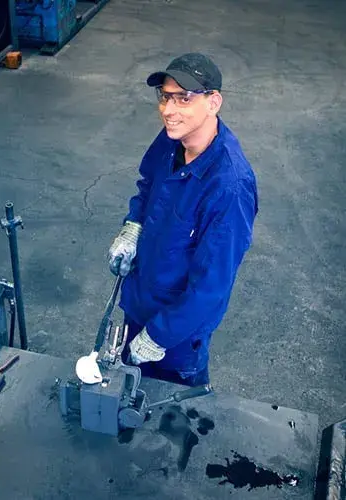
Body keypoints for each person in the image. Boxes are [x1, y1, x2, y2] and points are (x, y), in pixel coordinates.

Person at [108, 53, 258, 387]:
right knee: (125, 399)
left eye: (184, 99)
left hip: (176, 336)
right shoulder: (172, 138)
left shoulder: (229, 187)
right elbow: (148, 185)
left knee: (174, 420)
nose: (169, 110)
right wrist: (133, 226)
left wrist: (160, 336)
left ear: (213, 102)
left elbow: (211, 287)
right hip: (141, 299)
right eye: (165, 97)